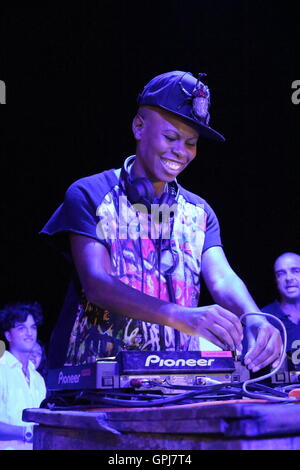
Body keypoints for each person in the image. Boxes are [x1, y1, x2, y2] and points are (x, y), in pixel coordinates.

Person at [40, 70, 282, 374]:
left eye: (191, 143)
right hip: (95, 384)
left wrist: (253, 315)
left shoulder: (199, 212)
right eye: (171, 137)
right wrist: (183, 316)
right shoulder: (91, 193)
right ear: (139, 126)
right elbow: (98, 284)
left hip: (175, 386)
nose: (181, 151)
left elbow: (221, 278)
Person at [0, 302, 47, 449]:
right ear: (8, 335)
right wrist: (27, 432)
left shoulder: (38, 379)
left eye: (33, 327)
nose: (29, 333)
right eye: (21, 328)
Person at [262, 252, 300, 357]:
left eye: (296, 271)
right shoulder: (263, 319)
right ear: (276, 280)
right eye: (281, 273)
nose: (289, 278)